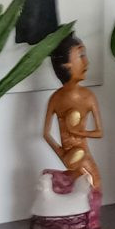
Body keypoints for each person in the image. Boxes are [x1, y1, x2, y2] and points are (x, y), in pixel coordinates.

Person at [40, 34, 102, 194]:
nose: (86, 62)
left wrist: (79, 132)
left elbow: (99, 132)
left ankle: (61, 182)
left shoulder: (89, 97)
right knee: (87, 188)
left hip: (83, 154)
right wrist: (62, 155)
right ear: (66, 65)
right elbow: (46, 134)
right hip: (70, 157)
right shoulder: (55, 98)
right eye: (81, 55)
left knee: (94, 185)